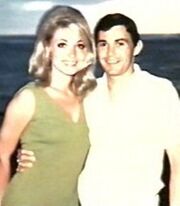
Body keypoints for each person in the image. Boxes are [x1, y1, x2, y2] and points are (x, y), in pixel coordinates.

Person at [17, 13, 180, 206]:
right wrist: (30, 153)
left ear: (136, 47)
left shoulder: (159, 91)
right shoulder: (86, 93)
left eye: (120, 43)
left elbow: (177, 159)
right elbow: (63, 141)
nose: (110, 53)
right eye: (103, 44)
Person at [0, 5, 96, 206]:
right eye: (62, 44)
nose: (72, 54)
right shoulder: (29, 98)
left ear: (88, 52)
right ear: (47, 48)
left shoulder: (92, 98)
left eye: (80, 45)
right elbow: (2, 156)